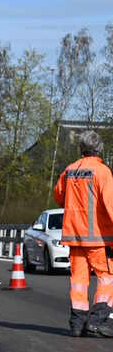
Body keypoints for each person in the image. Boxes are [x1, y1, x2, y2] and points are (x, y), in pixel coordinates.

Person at [55, 130, 113, 336]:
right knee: (108, 278)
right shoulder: (102, 172)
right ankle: (96, 321)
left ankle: (77, 324)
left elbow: (59, 196)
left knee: (79, 281)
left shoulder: (69, 170)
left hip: (74, 237)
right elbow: (110, 205)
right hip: (98, 239)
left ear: (81, 148)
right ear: (99, 149)